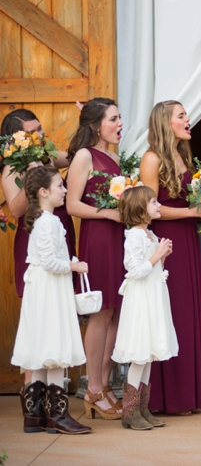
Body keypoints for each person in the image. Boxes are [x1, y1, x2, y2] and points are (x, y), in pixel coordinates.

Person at [140, 101, 201, 415]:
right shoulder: (152, 158)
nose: (188, 120)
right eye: (181, 116)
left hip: (187, 240)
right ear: (165, 123)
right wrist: (193, 211)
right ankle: (165, 397)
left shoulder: (184, 156)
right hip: (166, 244)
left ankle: (188, 393)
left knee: (188, 312)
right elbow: (149, 207)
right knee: (171, 312)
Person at [1, 109, 77, 411]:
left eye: (40, 129)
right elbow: (17, 210)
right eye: (32, 133)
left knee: (56, 316)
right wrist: (32, 176)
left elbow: (75, 156)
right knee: (38, 320)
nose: (40, 136)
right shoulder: (11, 166)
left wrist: (87, 123)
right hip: (34, 242)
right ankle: (33, 407)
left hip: (59, 235)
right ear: (16, 138)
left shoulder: (47, 155)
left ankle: (48, 406)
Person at [11, 166, 91, 435]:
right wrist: (74, 267)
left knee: (45, 344)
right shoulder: (48, 221)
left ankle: (35, 416)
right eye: (60, 186)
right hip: (48, 288)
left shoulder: (47, 220)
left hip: (44, 287)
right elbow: (48, 262)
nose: (65, 190)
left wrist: (69, 261)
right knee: (54, 343)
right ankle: (58, 415)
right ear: (44, 192)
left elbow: (49, 256)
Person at [66, 98, 125, 420]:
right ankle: (92, 388)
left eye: (119, 118)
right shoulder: (85, 156)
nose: (119, 124)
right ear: (95, 125)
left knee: (116, 311)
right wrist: (111, 214)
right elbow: (74, 205)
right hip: (98, 239)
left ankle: (103, 387)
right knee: (100, 313)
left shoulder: (112, 157)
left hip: (117, 238)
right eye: (113, 119)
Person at [113, 186, 178, 430]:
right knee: (140, 353)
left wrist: (162, 258)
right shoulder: (134, 236)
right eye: (153, 202)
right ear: (141, 209)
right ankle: (129, 411)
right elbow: (134, 271)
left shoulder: (149, 235)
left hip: (154, 296)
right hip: (141, 299)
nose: (159, 204)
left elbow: (154, 272)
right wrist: (155, 257)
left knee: (149, 353)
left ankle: (142, 407)